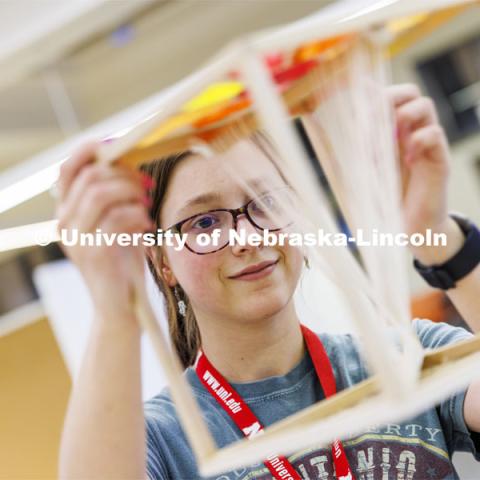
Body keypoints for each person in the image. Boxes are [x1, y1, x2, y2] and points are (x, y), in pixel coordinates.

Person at [56, 84, 480, 479]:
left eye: (267, 203)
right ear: (163, 261)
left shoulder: (405, 356)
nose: (248, 237)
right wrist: (115, 309)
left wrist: (437, 234)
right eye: (205, 221)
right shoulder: (164, 439)